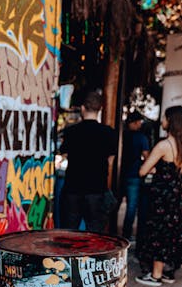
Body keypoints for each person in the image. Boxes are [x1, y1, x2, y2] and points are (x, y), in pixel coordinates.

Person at [135, 105, 182, 286]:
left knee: (159, 231)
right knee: (171, 231)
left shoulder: (164, 145)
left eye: (164, 118)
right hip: (177, 195)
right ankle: (167, 273)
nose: (162, 121)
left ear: (170, 122)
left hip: (162, 196)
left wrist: (155, 169)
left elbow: (143, 171)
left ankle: (155, 275)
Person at [59, 89, 118, 233]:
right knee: (95, 236)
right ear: (100, 109)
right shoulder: (108, 132)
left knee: (69, 235)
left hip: (73, 189)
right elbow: (110, 160)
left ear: (83, 108)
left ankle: (70, 256)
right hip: (97, 189)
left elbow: (64, 155)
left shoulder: (71, 131)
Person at [119, 111, 149, 240]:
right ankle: (126, 235)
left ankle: (111, 230)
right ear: (135, 122)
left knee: (116, 203)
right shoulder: (142, 138)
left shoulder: (122, 135)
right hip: (134, 175)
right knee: (131, 207)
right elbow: (147, 156)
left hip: (120, 174)